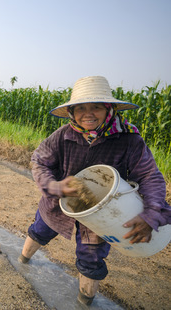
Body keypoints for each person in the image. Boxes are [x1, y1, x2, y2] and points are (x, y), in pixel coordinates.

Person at [19, 76, 171, 306]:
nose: (88, 114)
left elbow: (150, 176)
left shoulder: (128, 140)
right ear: (71, 111)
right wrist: (53, 186)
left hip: (103, 215)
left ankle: (84, 301)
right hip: (58, 205)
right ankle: (21, 261)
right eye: (81, 108)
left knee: (91, 261)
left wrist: (152, 213)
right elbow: (39, 161)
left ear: (109, 109)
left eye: (97, 107)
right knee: (39, 232)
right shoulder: (63, 136)